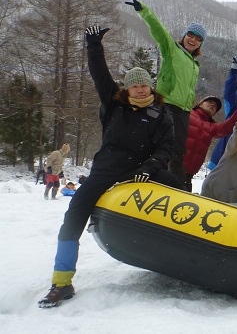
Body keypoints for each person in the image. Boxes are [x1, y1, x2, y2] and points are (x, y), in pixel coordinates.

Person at [38, 26, 179, 308]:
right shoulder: (115, 103)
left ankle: (181, 258)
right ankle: (61, 283)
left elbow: (167, 147)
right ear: (127, 88)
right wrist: (93, 45)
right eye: (134, 85)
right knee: (74, 216)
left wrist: (149, 168)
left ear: (150, 86)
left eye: (144, 84)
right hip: (106, 170)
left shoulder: (163, 113)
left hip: (141, 169)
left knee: (178, 186)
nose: (140, 89)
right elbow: (99, 74)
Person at [125, 0, 204, 187]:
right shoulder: (172, 49)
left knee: (179, 151)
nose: (193, 40)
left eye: (198, 38)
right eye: (190, 35)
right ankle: (143, 179)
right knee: (159, 145)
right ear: (185, 35)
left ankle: (177, 186)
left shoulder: (195, 65)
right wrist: (143, 10)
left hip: (184, 111)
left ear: (201, 43)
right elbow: (158, 31)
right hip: (166, 104)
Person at [182, 95, 237, 192]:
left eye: (215, 106)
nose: (212, 105)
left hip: (189, 173)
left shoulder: (212, 127)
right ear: (200, 103)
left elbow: (225, 128)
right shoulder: (187, 114)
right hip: (173, 165)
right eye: (209, 102)